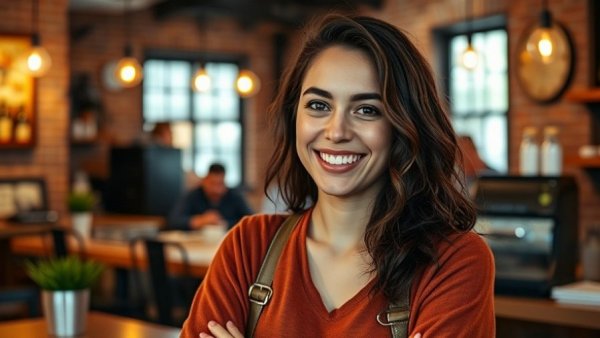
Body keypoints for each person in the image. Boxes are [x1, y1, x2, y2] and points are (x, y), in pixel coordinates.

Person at [180, 14, 494, 338]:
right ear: (294, 118)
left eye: (367, 110)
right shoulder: (248, 247)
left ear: (404, 126)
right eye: (318, 105)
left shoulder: (454, 261)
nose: (337, 131)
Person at [167, 163, 253, 231]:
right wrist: (200, 221)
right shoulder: (192, 196)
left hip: (226, 242)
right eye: (212, 183)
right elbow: (173, 221)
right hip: (197, 245)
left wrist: (225, 224)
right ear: (204, 181)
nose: (216, 189)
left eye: (220, 184)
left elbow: (251, 221)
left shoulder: (234, 196)